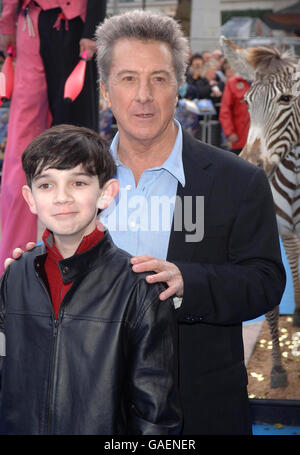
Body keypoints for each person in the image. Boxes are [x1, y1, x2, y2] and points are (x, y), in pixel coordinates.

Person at [7, 10, 286, 435]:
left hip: (196, 407)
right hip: (86, 411)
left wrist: (187, 282)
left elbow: (265, 281)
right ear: (105, 90)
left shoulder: (238, 180)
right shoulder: (75, 180)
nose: (143, 95)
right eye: (127, 79)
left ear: (178, 87)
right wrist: (41, 269)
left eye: (158, 78)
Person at [0, 124, 182, 435]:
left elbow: (155, 416)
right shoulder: (15, 275)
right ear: (30, 199)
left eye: (78, 182)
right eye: (46, 185)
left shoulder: (139, 288)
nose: (62, 198)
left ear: (106, 193)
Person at [0, 1, 107, 274]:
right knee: (26, 151)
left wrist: (91, 28)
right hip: (37, 24)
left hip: (66, 26)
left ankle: (76, 255)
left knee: (73, 142)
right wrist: (7, 21)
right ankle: (19, 257)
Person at [219, 73, 251, 155]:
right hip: (240, 137)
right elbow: (225, 110)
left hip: (259, 139)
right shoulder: (233, 83)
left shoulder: (264, 82)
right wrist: (230, 132)